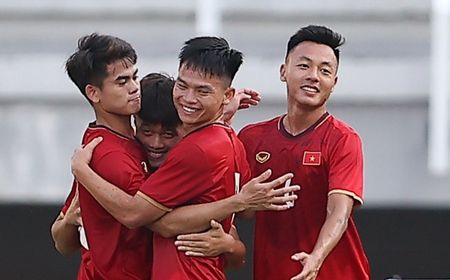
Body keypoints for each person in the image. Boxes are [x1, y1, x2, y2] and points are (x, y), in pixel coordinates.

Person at [71, 36, 299, 280]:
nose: (188, 98)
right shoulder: (230, 139)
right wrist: (235, 225)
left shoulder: (196, 150)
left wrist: (81, 171)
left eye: (203, 91)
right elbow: (63, 236)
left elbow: (145, 218)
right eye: (182, 86)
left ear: (226, 94)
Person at [51, 72, 254, 269]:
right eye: (146, 132)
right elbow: (62, 243)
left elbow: (237, 255)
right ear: (135, 125)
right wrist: (69, 220)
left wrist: (228, 245)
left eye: (168, 134)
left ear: (185, 129)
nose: (156, 143)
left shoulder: (190, 175)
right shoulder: (110, 168)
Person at [237, 25, 370, 280]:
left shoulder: (343, 139)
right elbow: (244, 212)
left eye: (325, 71)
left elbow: (338, 212)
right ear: (283, 71)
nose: (314, 76)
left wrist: (316, 258)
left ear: (334, 83)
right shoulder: (252, 138)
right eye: (304, 66)